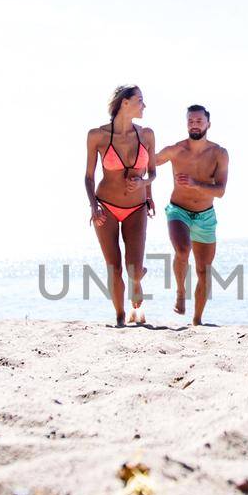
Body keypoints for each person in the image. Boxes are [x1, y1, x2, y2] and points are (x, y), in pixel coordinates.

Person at [84, 85, 156, 326]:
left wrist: (146, 189)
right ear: (124, 103)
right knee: (114, 267)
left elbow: (152, 173)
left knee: (133, 270)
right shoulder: (97, 136)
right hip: (106, 207)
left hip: (137, 208)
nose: (144, 106)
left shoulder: (146, 135)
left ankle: (137, 280)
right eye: (140, 100)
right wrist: (94, 206)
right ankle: (120, 318)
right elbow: (89, 177)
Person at [155, 104, 228, 325]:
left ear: (208, 124)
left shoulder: (219, 153)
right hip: (178, 210)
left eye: (198, 121)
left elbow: (221, 191)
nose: (194, 124)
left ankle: (197, 320)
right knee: (182, 249)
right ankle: (180, 291)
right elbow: (147, 161)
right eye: (190, 121)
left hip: (205, 215)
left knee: (204, 271)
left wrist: (196, 184)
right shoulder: (176, 150)